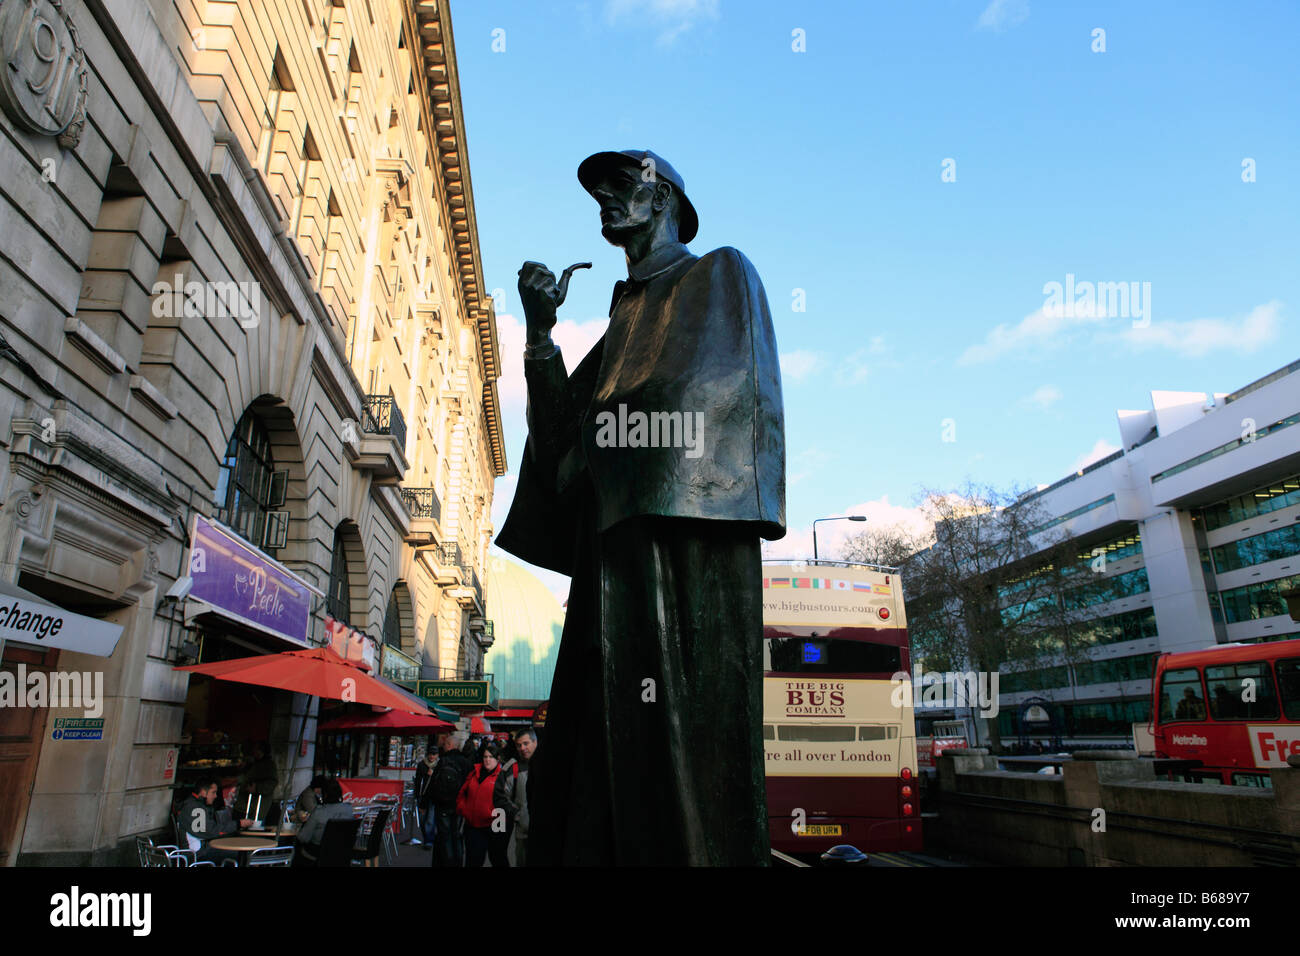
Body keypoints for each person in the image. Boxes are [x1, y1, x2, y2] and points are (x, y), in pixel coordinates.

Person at [496, 149, 784, 865]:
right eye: (601, 192)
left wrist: (602, 439)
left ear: (664, 200)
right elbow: (559, 441)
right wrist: (540, 333)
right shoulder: (618, 328)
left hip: (675, 560)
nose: (606, 201)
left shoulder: (718, 273)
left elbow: (713, 396)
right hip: (609, 565)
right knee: (594, 762)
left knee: (675, 769)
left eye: (623, 187)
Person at [457, 743, 509, 867]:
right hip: (473, 826)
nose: (487, 760)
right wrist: (464, 809)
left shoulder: (502, 776)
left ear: (498, 759)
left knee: (498, 859)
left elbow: (507, 802)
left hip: (493, 826)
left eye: (491, 757)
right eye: (485, 756)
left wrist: (500, 827)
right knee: (473, 860)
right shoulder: (474, 773)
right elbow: (462, 793)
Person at [178, 779, 252, 864]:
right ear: (203, 792)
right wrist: (238, 824)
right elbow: (210, 831)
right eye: (213, 792)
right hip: (197, 853)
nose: (215, 796)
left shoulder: (196, 804)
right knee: (242, 855)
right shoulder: (195, 808)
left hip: (203, 849)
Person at [430, 732, 472, 867]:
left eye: (445, 744)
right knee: (456, 834)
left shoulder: (443, 761)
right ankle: (458, 862)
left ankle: (447, 862)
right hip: (459, 805)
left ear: (449, 745)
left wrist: (426, 803)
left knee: (445, 836)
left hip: (443, 804)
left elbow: (433, 784)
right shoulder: (466, 762)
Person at [294, 778, 354, 866]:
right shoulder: (348, 809)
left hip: (319, 853)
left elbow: (303, 837)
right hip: (342, 852)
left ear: (324, 795)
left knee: (298, 848)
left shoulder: (319, 812)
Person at [499, 728, 536, 866]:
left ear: (535, 742)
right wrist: (517, 815)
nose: (523, 748)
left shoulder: (548, 765)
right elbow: (502, 797)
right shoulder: (512, 769)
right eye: (519, 745)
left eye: (526, 743)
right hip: (523, 833)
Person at [412, 749, 439, 847]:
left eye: (434, 754)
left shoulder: (439, 765)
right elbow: (418, 780)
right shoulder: (421, 765)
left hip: (433, 796)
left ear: (437, 755)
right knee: (422, 819)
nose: (432, 757)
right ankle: (427, 837)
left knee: (430, 819)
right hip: (423, 796)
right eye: (430, 754)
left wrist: (434, 774)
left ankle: (429, 841)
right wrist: (417, 795)